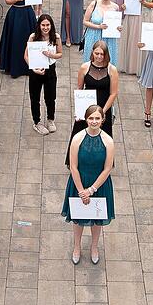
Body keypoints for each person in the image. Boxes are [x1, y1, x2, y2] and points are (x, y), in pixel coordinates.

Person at [61, 105, 115, 265]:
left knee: (96, 218)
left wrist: (91, 190)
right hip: (79, 182)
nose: (94, 121)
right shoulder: (77, 139)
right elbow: (73, 167)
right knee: (78, 218)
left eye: (97, 118)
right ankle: (77, 246)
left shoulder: (108, 141)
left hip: (99, 184)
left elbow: (107, 169)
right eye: (91, 118)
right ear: (86, 119)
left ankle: (94, 247)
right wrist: (81, 191)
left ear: (102, 120)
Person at [65, 41, 119, 167]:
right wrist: (78, 109)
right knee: (79, 133)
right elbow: (79, 88)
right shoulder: (84, 67)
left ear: (106, 55)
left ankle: (103, 162)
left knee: (104, 136)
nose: (99, 57)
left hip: (104, 107)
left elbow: (113, 93)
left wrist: (103, 111)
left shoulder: (112, 70)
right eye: (97, 53)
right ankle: (74, 160)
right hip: (86, 107)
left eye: (102, 54)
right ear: (92, 53)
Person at [24, 14, 63, 135]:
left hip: (50, 69)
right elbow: (26, 55)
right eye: (43, 25)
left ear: (51, 25)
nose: (45, 28)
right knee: (35, 97)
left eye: (47, 25)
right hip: (36, 70)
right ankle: (37, 122)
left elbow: (60, 53)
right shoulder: (33, 37)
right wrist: (33, 68)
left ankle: (50, 119)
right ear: (39, 25)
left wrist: (50, 55)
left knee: (51, 96)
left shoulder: (55, 37)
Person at [0, 0, 36, 78]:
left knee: (29, 39)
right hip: (15, 15)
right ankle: (14, 67)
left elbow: (35, 0)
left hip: (28, 14)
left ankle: (30, 66)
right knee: (15, 40)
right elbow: (7, 0)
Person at [82, 0, 121, 66]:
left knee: (108, 58)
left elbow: (116, 23)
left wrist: (118, 28)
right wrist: (98, 26)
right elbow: (85, 21)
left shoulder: (115, 7)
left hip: (109, 38)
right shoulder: (94, 4)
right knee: (92, 59)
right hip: (93, 36)